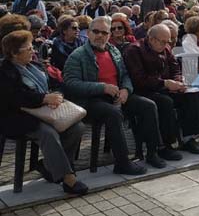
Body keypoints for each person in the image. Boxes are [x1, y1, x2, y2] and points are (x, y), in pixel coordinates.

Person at [63, 17, 170, 175]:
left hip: (116, 95)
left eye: (104, 32)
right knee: (113, 113)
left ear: (109, 34)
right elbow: (71, 84)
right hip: (91, 100)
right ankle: (122, 163)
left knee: (148, 105)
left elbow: (125, 74)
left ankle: (153, 152)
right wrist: (101, 87)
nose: (100, 35)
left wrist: (126, 89)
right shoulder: (77, 55)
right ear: (89, 33)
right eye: (96, 32)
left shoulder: (113, 51)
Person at [0, 30, 88, 195]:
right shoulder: (4, 71)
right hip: (17, 117)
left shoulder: (36, 65)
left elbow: (56, 83)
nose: (33, 50)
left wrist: (58, 96)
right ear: (14, 53)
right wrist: (44, 98)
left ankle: (48, 166)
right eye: (28, 48)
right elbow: (14, 98)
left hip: (46, 111)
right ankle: (68, 179)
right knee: (48, 133)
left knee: (77, 127)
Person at [124, 24, 199, 155]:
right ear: (151, 39)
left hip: (165, 86)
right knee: (165, 102)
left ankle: (189, 138)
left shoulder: (165, 48)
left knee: (191, 94)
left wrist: (179, 81)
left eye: (169, 41)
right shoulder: (134, 50)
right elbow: (139, 79)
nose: (167, 44)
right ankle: (165, 145)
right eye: (163, 41)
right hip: (144, 90)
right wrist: (165, 83)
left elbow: (175, 68)